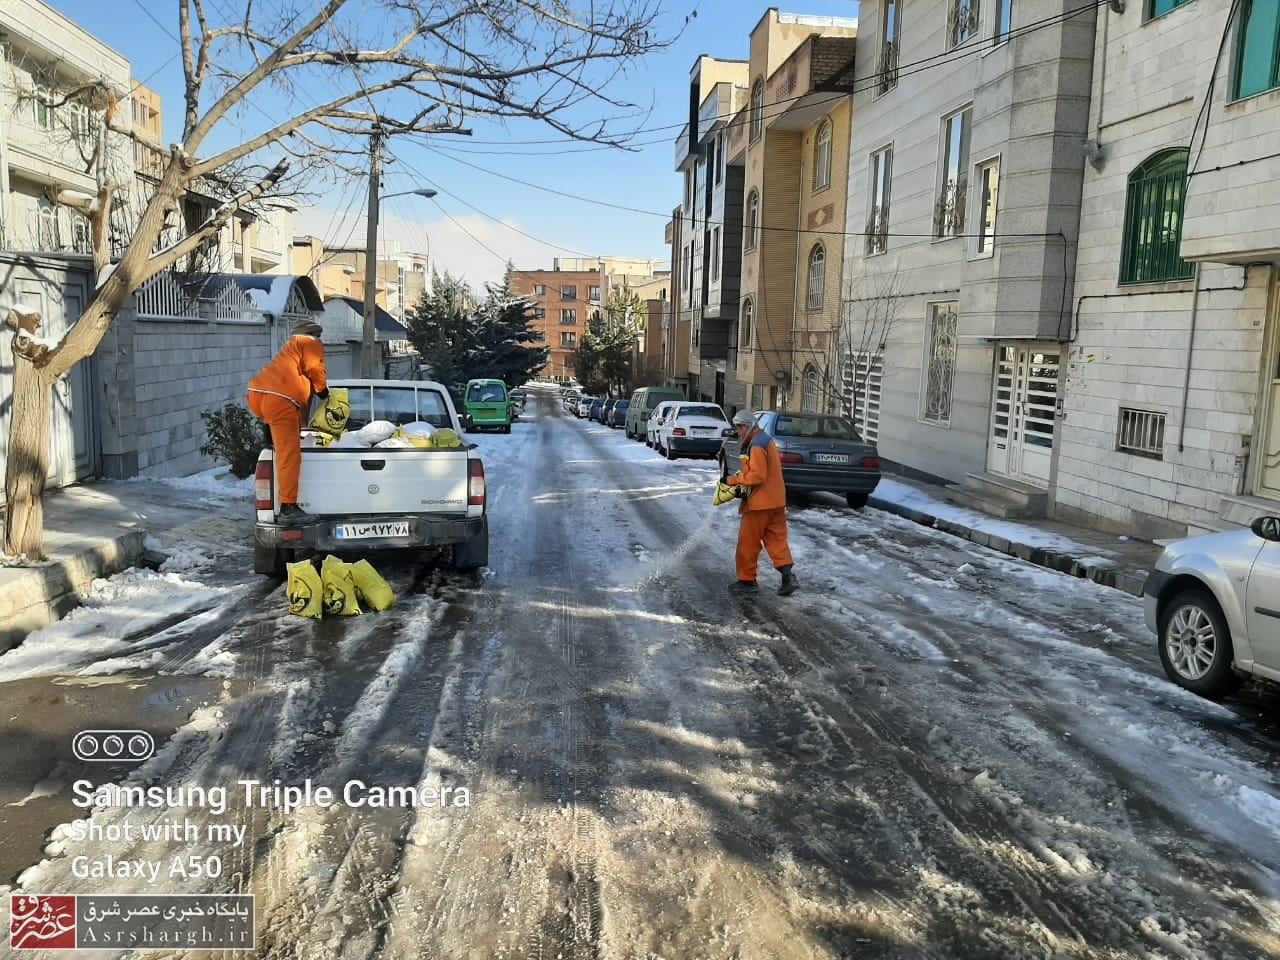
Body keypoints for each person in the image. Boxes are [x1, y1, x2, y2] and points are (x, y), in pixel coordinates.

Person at [246, 320, 328, 523]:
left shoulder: (289, 348)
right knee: (290, 455)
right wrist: (323, 390)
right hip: (280, 400)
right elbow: (315, 367)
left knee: (279, 447)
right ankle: (288, 506)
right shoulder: (309, 342)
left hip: (258, 394)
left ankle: (270, 440)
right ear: (316, 334)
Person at [724, 409, 798, 596]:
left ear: (747, 426)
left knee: (747, 543)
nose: (738, 433)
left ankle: (747, 581)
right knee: (776, 540)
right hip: (776, 501)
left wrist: (733, 480)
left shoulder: (756, 445)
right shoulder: (765, 440)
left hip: (759, 504)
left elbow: (758, 475)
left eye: (739, 429)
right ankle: (787, 576)